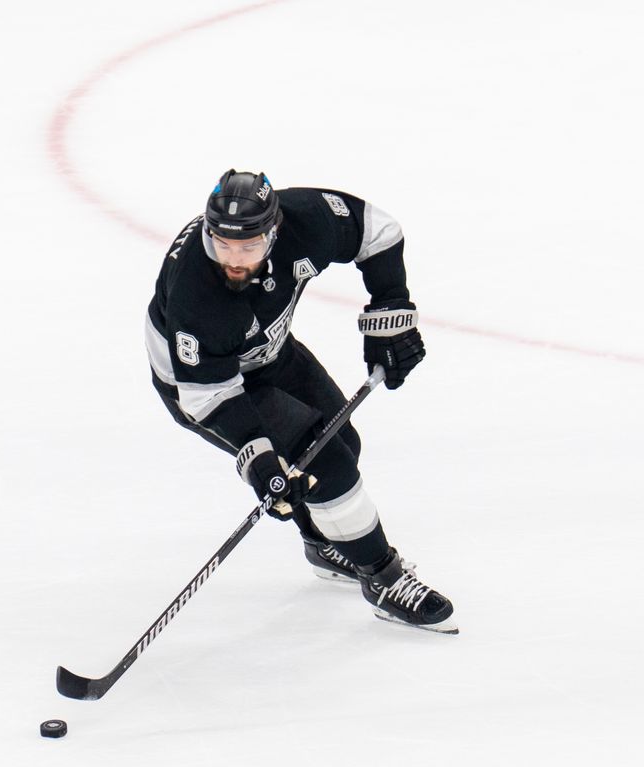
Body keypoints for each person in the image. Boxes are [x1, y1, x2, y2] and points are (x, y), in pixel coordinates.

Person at [145, 169, 456, 633]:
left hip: (269, 351)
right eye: (222, 244)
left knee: (342, 442)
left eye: (248, 246)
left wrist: (390, 313)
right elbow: (208, 396)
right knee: (327, 464)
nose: (233, 258)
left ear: (274, 231)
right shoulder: (198, 294)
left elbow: (378, 230)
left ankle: (323, 545)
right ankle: (383, 578)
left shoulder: (308, 219)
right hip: (199, 384)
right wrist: (259, 458)